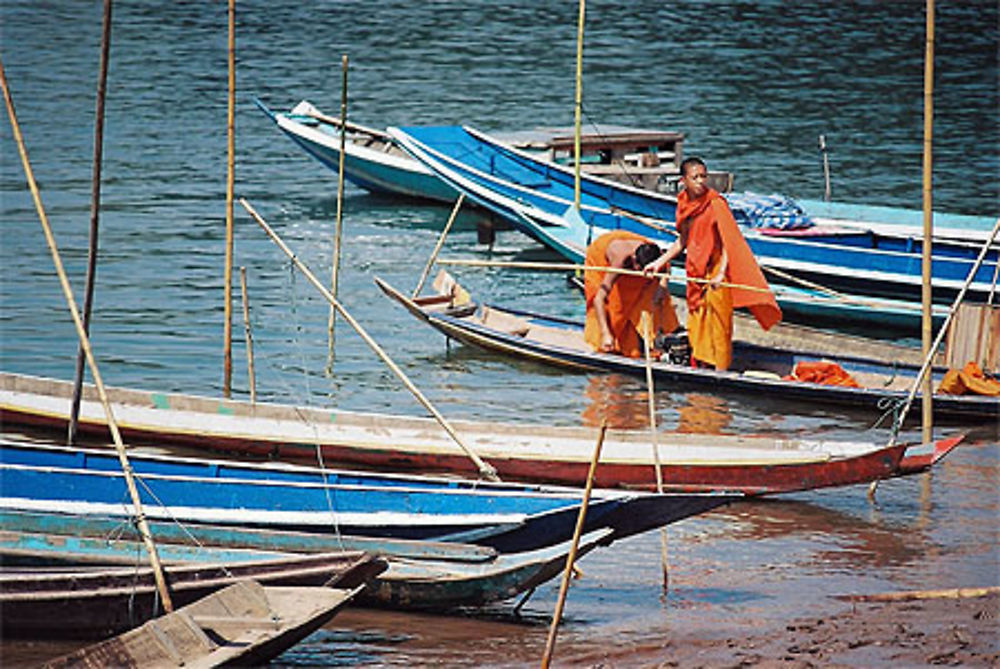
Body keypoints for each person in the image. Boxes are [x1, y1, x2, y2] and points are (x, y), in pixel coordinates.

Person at [644, 157, 781, 370]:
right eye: (695, 177)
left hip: (717, 271)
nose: (700, 182)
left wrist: (721, 273)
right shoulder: (685, 204)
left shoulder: (715, 203)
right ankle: (702, 364)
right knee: (698, 322)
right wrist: (658, 262)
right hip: (696, 272)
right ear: (684, 181)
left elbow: (729, 242)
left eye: (703, 177)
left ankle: (720, 370)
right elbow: (683, 241)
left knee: (720, 326)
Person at [583, 230, 680, 358]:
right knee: (616, 305)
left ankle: (655, 341)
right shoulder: (619, 261)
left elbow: (666, 268)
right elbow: (599, 298)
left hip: (635, 253)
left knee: (653, 296)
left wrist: (662, 287)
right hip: (600, 259)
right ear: (634, 260)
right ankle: (608, 339)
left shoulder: (654, 254)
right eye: (639, 269)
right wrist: (606, 333)